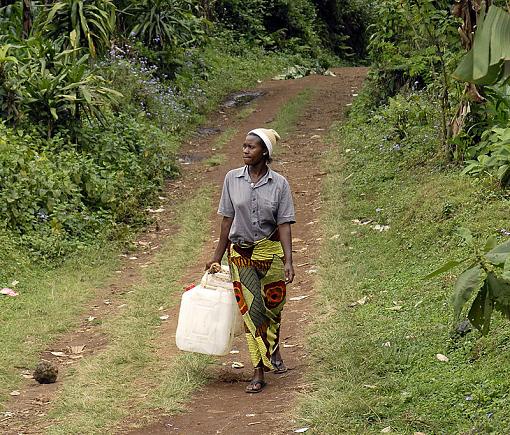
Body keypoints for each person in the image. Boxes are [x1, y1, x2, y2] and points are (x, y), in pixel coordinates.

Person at [206, 127, 296, 393]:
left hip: (270, 254)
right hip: (241, 256)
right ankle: (258, 371)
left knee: (273, 308)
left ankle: (274, 349)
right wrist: (216, 256)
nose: (245, 150)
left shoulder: (279, 184)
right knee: (252, 314)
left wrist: (289, 261)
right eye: (244, 146)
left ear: (265, 152)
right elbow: (226, 222)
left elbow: (284, 225)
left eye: (251, 147)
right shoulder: (232, 179)